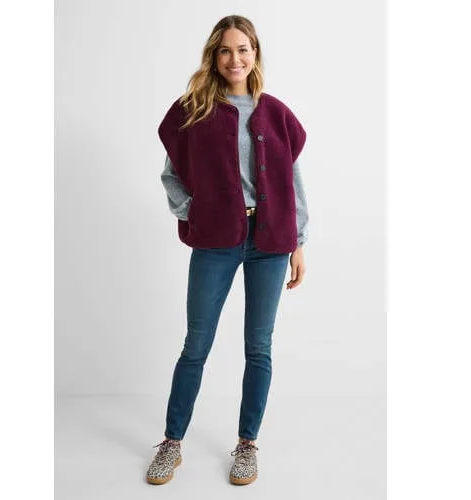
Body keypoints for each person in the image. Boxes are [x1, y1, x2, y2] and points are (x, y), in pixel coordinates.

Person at [146, 14, 309, 486]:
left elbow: (292, 179)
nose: (234, 58)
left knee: (259, 347)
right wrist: (193, 211)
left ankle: (247, 444)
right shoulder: (193, 110)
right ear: (214, 57)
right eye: (225, 50)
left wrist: (298, 242)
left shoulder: (276, 113)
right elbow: (171, 174)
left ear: (255, 54)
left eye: (243, 49)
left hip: (270, 241)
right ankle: (172, 442)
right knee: (196, 344)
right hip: (216, 241)